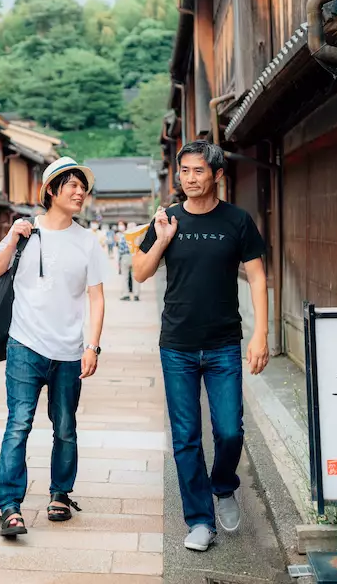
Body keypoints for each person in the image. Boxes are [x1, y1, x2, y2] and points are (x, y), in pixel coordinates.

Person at [133, 140, 269, 552]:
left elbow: (258, 277)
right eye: (184, 171)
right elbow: (139, 273)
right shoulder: (167, 219)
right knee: (186, 436)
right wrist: (161, 239)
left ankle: (224, 485)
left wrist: (261, 333)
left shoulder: (237, 221)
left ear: (217, 176)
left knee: (229, 431)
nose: (189, 179)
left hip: (225, 343)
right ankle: (198, 520)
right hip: (177, 344)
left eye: (198, 171)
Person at [0, 157, 107, 538]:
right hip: (25, 345)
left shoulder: (88, 241)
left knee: (66, 427)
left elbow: (97, 297)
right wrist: (10, 236)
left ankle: (60, 493)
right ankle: (9, 507)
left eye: (82, 187)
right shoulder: (26, 232)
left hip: (69, 351)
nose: (79, 192)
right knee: (18, 424)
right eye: (71, 185)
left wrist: (92, 345)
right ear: (51, 191)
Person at [117, 231, 139, 301]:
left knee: (125, 277)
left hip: (125, 257)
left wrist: (119, 260)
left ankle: (126, 295)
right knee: (135, 277)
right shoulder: (138, 237)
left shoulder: (124, 237)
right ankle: (136, 295)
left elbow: (120, 249)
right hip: (135, 257)